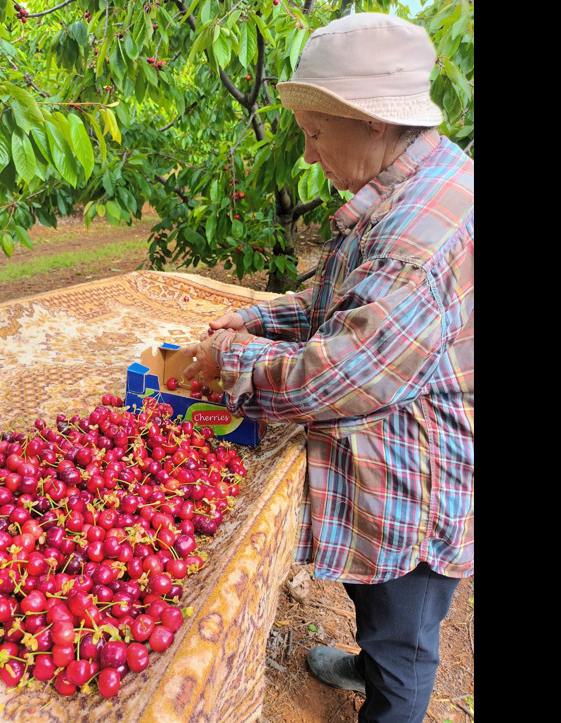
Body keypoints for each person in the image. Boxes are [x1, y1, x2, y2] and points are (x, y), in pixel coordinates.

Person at [179, 12, 473, 723]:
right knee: (377, 601)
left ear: (373, 121)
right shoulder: (415, 181)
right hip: (392, 455)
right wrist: (256, 318)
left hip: (416, 477)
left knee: (404, 631)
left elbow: (334, 376)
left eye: (314, 133)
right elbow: (338, 298)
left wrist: (232, 356)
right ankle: (368, 661)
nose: (307, 155)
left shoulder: (416, 237)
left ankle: (388, 694)